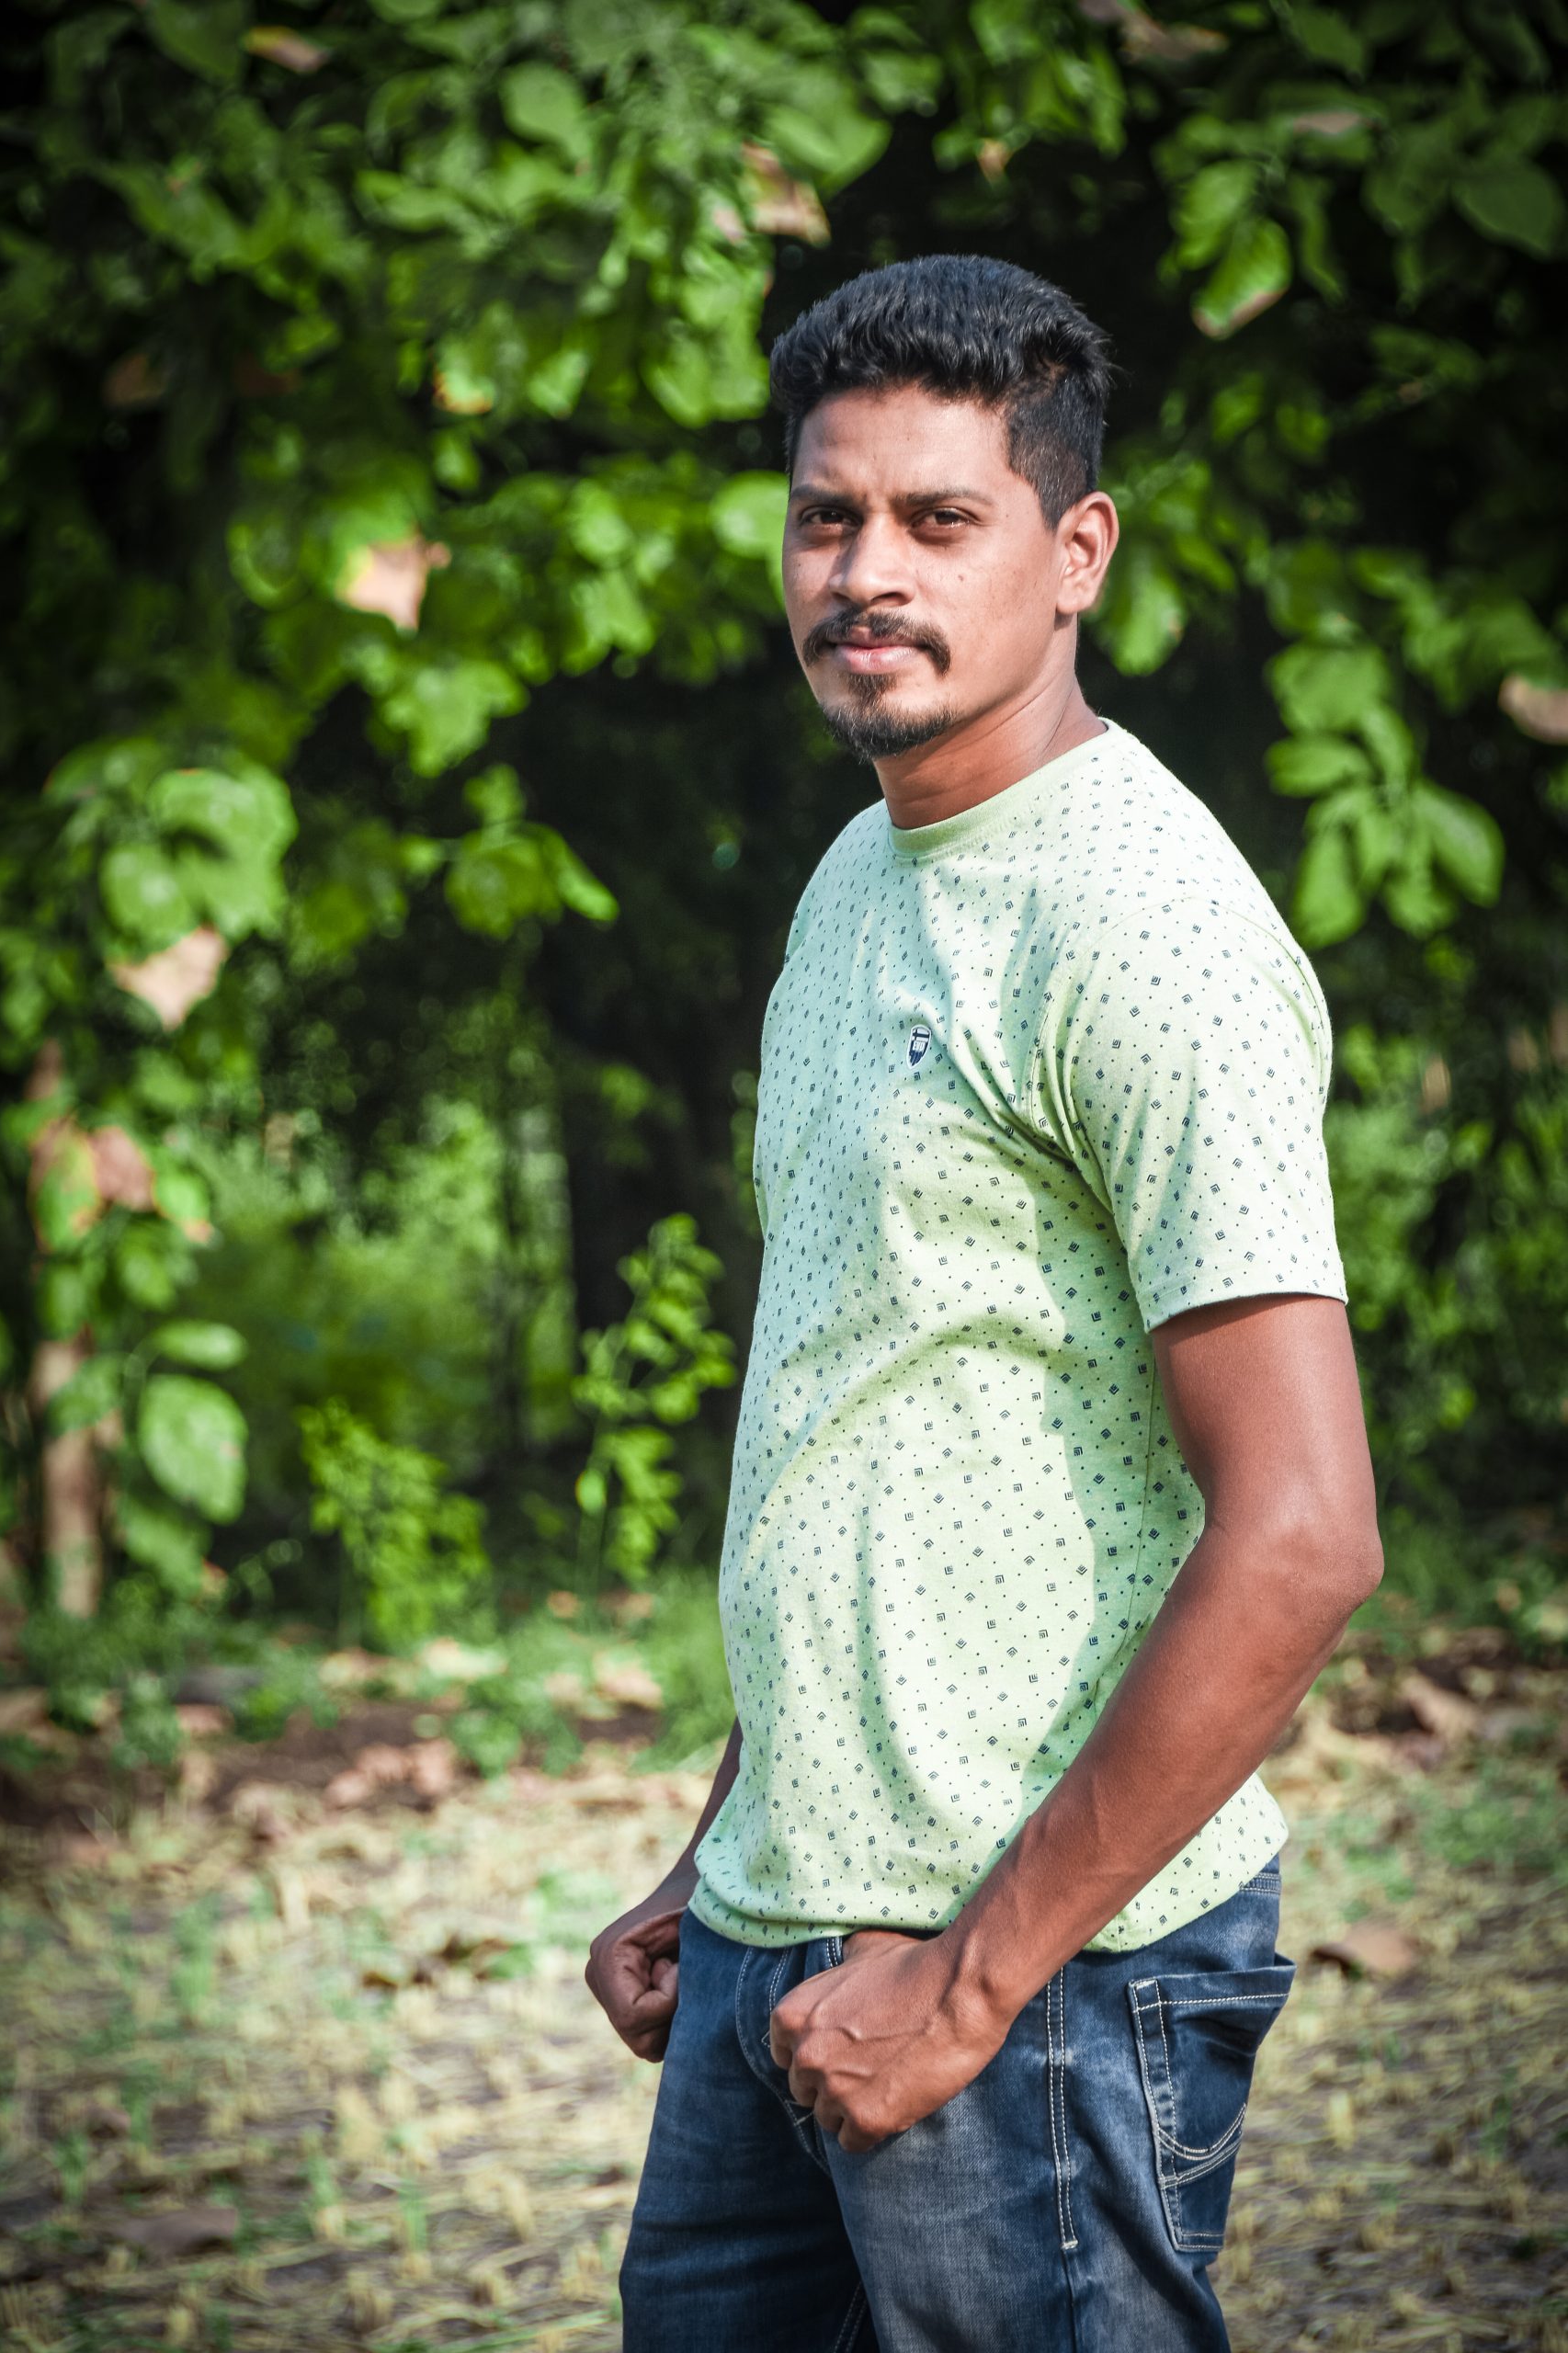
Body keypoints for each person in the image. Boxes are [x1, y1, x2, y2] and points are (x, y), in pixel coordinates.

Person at [586, 254, 1381, 2353]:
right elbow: (864, 1412)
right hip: (788, 1919)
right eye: (826, 515)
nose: (866, 572)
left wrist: (959, 1981)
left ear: (1073, 550)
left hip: (1033, 1962)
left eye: (938, 521)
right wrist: (723, 1840)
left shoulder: (1144, 923)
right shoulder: (856, 883)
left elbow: (1302, 1529)